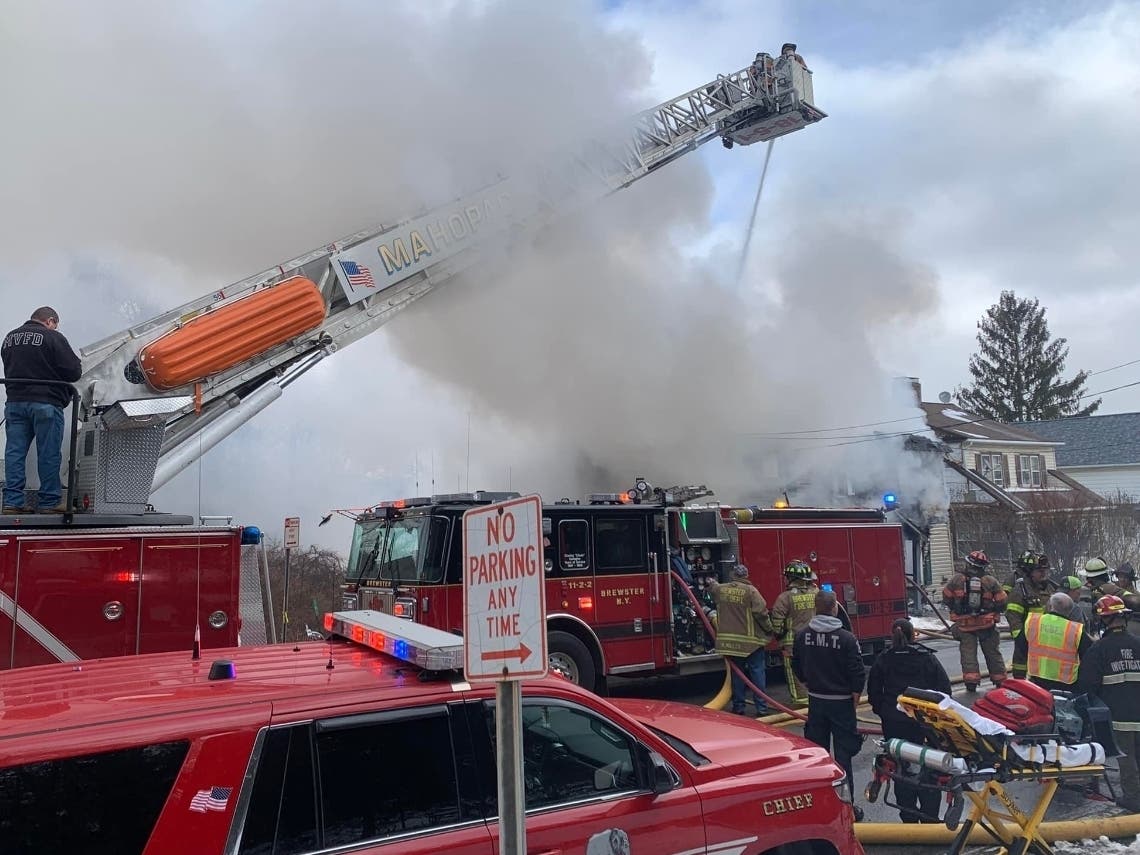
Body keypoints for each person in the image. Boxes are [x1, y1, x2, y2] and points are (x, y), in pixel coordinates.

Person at [867, 618, 952, 823]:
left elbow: (873, 691)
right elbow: (945, 691)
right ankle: (931, 817)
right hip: (924, 723)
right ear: (914, 634)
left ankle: (908, 817)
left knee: (900, 768)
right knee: (929, 767)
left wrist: (885, 712)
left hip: (894, 723)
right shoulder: (926, 658)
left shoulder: (884, 659)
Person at [793, 589, 867, 818]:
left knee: (818, 757)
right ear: (835, 607)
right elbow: (857, 671)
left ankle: (820, 806)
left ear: (816, 608)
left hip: (816, 702)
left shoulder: (802, 635)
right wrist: (855, 695)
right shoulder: (846, 638)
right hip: (842, 703)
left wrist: (808, 683)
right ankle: (847, 809)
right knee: (843, 758)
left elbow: (796, 664)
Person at [2, 307, 82, 514]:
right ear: (50, 321)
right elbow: (74, 371)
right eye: (55, 324)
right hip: (46, 403)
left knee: (15, 453)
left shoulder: (10, 338)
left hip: (15, 403)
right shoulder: (52, 337)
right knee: (48, 453)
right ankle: (49, 502)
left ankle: (12, 502)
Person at [1078, 595, 1140, 813]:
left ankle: (1133, 798)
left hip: (1118, 714)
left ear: (1104, 620)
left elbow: (1087, 685)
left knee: (1127, 757)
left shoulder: (1099, 649)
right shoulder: (1138, 643)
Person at [709, 564, 774, 716]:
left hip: (730, 644)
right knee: (757, 673)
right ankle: (762, 708)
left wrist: (711, 583)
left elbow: (712, 590)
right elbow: (761, 612)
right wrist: (769, 629)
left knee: (737, 675)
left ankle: (738, 707)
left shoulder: (721, 589)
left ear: (733, 575)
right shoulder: (751, 591)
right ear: (746, 576)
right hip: (751, 643)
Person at [942, 550, 1008, 692]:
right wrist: (991, 609)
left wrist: (957, 607)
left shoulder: (957, 580)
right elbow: (1002, 602)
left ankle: (971, 683)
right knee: (992, 653)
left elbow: (946, 597)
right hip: (987, 624)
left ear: (968, 563)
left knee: (968, 654)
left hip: (965, 626)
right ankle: (1000, 681)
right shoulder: (990, 581)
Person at [1012, 592, 1091, 693]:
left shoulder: (1033, 622)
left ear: (1050, 606)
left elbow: (1021, 648)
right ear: (1071, 610)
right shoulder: (1075, 630)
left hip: (1037, 681)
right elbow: (1089, 657)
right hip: (1066, 686)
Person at [770, 559, 820, 705]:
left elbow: (777, 623)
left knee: (794, 674)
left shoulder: (785, 597)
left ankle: (800, 702)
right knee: (814, 669)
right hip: (815, 640)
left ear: (792, 578)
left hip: (792, 643)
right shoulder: (816, 592)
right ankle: (815, 698)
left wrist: (779, 637)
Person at [1006, 551, 1059, 652]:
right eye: (1039, 570)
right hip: (1027, 646)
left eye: (1045, 570)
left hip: (1048, 643)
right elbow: (1014, 620)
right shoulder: (1020, 592)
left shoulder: (1051, 588)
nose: (1043, 573)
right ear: (1029, 572)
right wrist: (1022, 642)